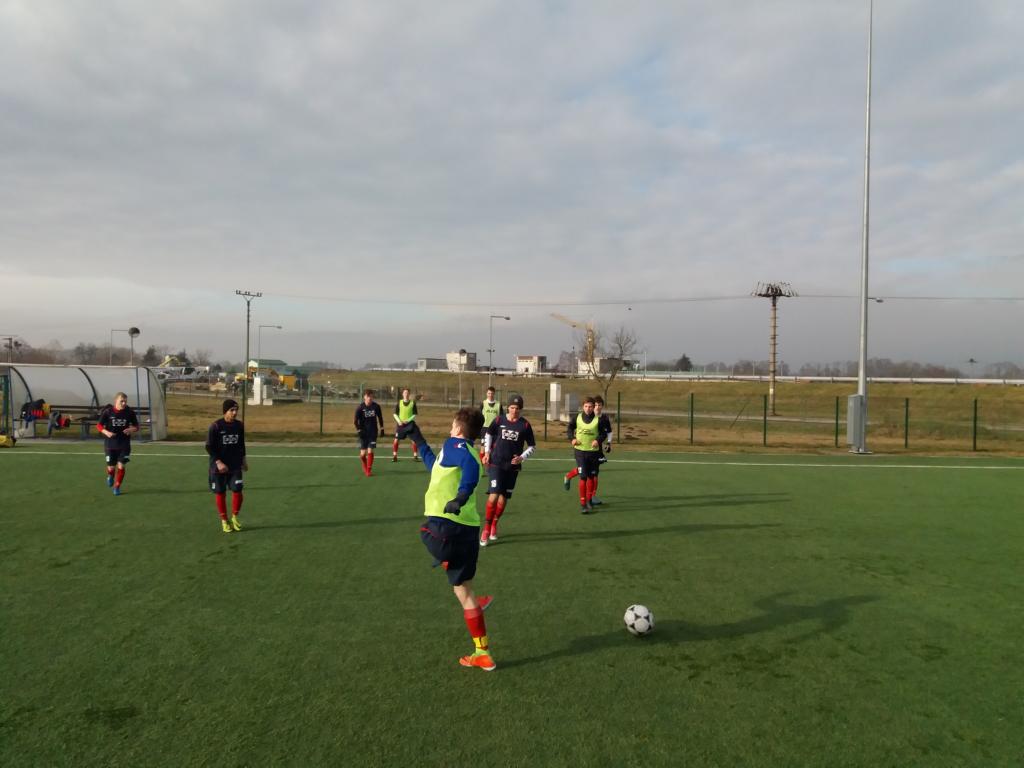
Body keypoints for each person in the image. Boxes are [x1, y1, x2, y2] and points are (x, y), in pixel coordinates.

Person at [408, 408, 496, 672]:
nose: (449, 430)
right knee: (463, 591)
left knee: (425, 533)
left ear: (458, 429)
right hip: (468, 529)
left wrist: (461, 496)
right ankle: (483, 653)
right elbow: (434, 466)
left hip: (447, 524)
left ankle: (446, 562)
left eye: (451, 426)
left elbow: (468, 468)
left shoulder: (455, 445)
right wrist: (418, 439)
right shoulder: (460, 452)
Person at [481, 394, 536, 545]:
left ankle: (495, 523)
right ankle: (486, 528)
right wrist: (487, 452)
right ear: (508, 407)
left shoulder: (525, 425)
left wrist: (522, 457)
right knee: (493, 496)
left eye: (517, 408)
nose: (514, 410)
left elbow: (532, 446)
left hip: (512, 467)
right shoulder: (499, 420)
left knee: (503, 498)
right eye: (512, 407)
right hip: (496, 463)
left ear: (520, 409)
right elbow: (488, 434)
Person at [562, 394, 613, 504]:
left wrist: (608, 443)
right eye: (596, 405)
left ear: (602, 406)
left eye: (600, 405)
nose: (597, 407)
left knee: (594, 473)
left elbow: (608, 432)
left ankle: (592, 496)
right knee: (586, 471)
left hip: (596, 449)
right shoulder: (584, 417)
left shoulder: (604, 418)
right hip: (583, 448)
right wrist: (573, 438)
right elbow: (571, 428)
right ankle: (570, 478)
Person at [206, 398, 248, 533]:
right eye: (232, 410)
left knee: (237, 490)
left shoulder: (239, 426)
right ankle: (224, 520)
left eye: (236, 410)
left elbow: (241, 444)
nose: (235, 413)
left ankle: (235, 517)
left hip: (235, 465)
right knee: (220, 493)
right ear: (225, 411)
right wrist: (218, 462)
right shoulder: (216, 426)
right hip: (218, 467)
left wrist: (244, 460)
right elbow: (209, 447)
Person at [97, 392, 139, 496]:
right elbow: (99, 425)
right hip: (110, 444)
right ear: (116, 400)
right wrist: (107, 432)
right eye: (122, 401)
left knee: (121, 466)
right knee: (111, 467)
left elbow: (136, 426)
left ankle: (117, 487)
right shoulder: (108, 412)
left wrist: (131, 429)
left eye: (125, 401)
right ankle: (110, 476)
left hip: (124, 443)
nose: (124, 403)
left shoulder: (130, 412)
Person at [354, 389, 385, 476]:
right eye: (368, 396)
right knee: (362, 454)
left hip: (373, 432)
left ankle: (368, 470)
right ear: (364, 397)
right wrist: (359, 430)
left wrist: (382, 429)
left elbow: (380, 418)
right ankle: (365, 465)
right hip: (363, 433)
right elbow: (355, 421)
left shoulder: (376, 406)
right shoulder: (360, 408)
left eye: (371, 396)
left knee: (370, 450)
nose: (370, 398)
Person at [391, 388, 420, 462]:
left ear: (409, 394)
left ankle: (415, 456)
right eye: (405, 393)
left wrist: (408, 420)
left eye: (407, 393)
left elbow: (414, 414)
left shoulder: (412, 403)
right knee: (396, 440)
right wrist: (399, 421)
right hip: (400, 425)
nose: (406, 394)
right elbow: (395, 414)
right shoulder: (399, 402)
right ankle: (394, 456)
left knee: (414, 440)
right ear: (402, 394)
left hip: (410, 424)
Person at [479, 386, 503, 460]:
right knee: (483, 447)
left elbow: (502, 417)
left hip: (495, 428)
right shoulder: (483, 403)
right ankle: (481, 464)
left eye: (492, 393)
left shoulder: (499, 404)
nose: (490, 395)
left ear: (494, 394)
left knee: (494, 447)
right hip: (485, 428)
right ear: (486, 394)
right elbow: (479, 416)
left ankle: (491, 463)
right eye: (489, 393)